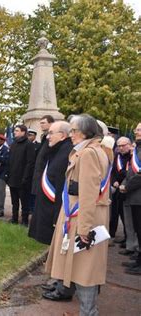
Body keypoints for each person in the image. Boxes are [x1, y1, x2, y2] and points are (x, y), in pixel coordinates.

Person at [45, 114, 110, 315]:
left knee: (84, 272)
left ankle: (88, 313)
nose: (71, 134)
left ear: (84, 132)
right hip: (81, 216)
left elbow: (89, 194)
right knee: (81, 270)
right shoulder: (92, 151)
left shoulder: (89, 153)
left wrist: (84, 229)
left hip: (83, 218)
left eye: (73, 130)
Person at [29, 121, 72, 245]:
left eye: (51, 133)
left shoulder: (66, 153)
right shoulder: (56, 150)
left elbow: (61, 186)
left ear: (63, 135)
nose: (48, 137)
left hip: (53, 210)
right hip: (47, 206)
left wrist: (56, 219)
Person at [120, 122, 141, 275]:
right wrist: (125, 183)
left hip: (138, 195)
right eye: (137, 129)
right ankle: (139, 259)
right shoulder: (138, 148)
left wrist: (127, 186)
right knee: (138, 230)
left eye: (140, 129)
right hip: (134, 196)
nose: (136, 131)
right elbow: (131, 172)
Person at [7, 125, 36, 226]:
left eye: (17, 130)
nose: (14, 132)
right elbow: (10, 160)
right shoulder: (13, 144)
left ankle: (24, 220)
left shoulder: (29, 144)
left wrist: (25, 177)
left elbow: (30, 162)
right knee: (14, 201)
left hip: (23, 179)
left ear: (23, 132)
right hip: (12, 178)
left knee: (24, 202)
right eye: (14, 130)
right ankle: (14, 218)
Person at [109, 137, 132, 246]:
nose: (121, 148)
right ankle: (111, 234)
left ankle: (128, 238)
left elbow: (128, 173)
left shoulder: (132, 157)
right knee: (114, 212)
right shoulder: (116, 156)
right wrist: (114, 181)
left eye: (123, 145)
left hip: (126, 189)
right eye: (119, 146)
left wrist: (120, 181)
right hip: (116, 188)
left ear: (129, 144)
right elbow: (112, 171)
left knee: (125, 215)